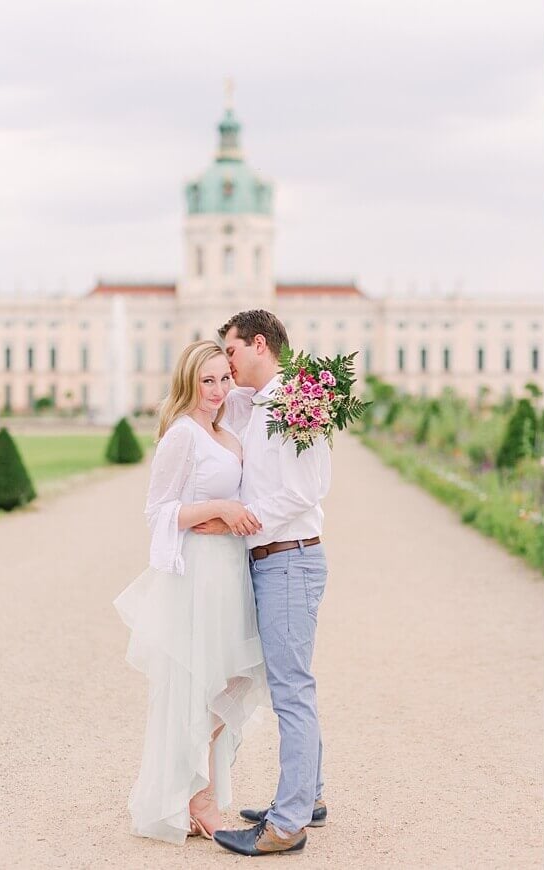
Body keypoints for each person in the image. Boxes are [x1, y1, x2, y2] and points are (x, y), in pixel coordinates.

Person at [114, 340, 268, 844]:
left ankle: (197, 789)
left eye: (225, 378)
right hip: (198, 575)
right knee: (196, 683)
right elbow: (158, 511)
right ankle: (195, 798)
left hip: (230, 571)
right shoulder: (182, 434)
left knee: (233, 680)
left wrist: (228, 517)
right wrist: (217, 508)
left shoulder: (227, 433)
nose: (219, 390)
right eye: (208, 381)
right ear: (188, 382)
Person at [197, 309, 331, 857]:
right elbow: (206, 402)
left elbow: (306, 489)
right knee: (292, 685)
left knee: (291, 691)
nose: (226, 366)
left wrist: (239, 517)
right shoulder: (262, 404)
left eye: (229, 353)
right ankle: (309, 796)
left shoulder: (295, 404)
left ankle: (288, 822)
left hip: (289, 558)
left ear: (257, 344)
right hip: (277, 559)